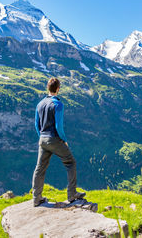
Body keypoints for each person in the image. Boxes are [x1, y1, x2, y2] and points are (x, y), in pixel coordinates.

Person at [32, 77, 86, 207]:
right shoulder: (58, 105)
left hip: (42, 139)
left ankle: (36, 198)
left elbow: (36, 124)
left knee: (40, 168)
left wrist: (42, 137)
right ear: (58, 89)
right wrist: (64, 140)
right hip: (54, 139)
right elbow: (58, 126)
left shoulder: (40, 104)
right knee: (70, 162)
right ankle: (72, 194)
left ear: (48, 88)